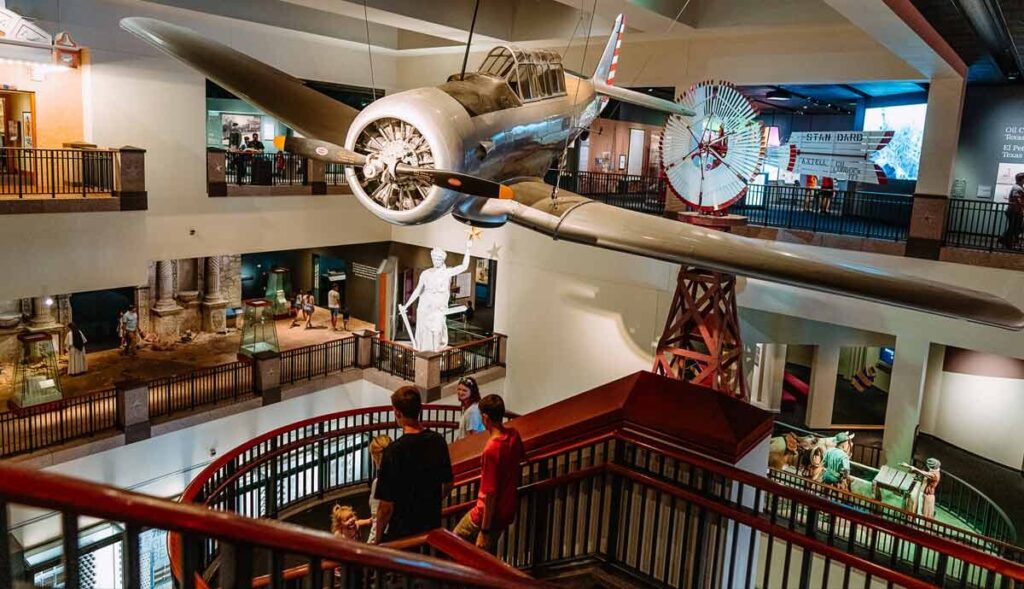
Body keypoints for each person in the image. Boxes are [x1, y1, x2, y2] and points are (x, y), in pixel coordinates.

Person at [373, 386, 453, 543]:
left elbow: (385, 507)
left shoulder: (393, 451)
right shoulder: (437, 440)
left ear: (397, 413)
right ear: (419, 409)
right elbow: (449, 483)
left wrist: (377, 539)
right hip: (431, 527)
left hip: (403, 532)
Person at [453, 394, 525, 552]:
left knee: (454, 540)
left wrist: (484, 531)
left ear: (485, 417)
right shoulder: (513, 435)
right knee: (486, 554)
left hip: (486, 514)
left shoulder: (491, 450)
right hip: (507, 509)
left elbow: (490, 494)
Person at [359, 434, 392, 543]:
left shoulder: (379, 483)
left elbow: (379, 517)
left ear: (375, 456)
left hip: (386, 537)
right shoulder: (402, 475)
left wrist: (373, 543)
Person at [999, 172, 1024, 249]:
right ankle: (1007, 242)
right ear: (1021, 179)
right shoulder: (1017, 188)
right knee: (1014, 227)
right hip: (1014, 211)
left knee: (1015, 227)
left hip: (1015, 211)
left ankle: (1005, 239)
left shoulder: (1019, 187)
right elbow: (1017, 199)